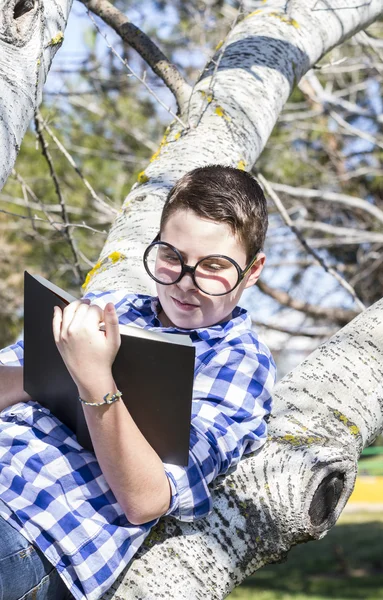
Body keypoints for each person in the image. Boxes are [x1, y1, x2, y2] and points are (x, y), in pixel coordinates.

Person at [0, 165, 276, 600]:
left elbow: (146, 498)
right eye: (172, 257)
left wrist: (93, 381)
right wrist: (46, 378)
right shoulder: (115, 308)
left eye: (214, 266)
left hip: (31, 532)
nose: (186, 283)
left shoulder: (237, 362)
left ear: (253, 270)